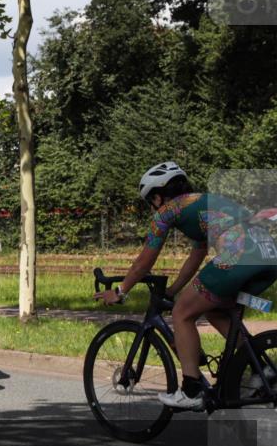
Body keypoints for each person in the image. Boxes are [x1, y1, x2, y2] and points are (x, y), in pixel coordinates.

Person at [94, 161, 277, 410]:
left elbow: (144, 262)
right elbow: (197, 254)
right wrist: (173, 289)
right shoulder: (201, 202)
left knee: (181, 313)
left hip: (238, 253)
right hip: (267, 255)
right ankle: (262, 370)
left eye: (151, 201)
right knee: (215, 310)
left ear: (157, 196)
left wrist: (120, 291)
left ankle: (191, 390)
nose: (153, 207)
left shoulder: (166, 211)